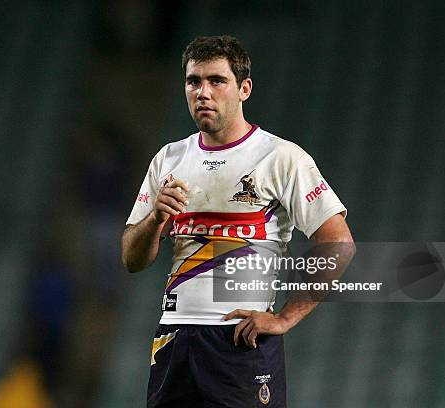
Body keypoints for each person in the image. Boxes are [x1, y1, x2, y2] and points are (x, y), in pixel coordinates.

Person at [121, 35, 355, 407]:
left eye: (217, 81)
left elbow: (338, 243)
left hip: (239, 340)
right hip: (174, 338)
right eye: (193, 81)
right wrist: (154, 221)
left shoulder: (280, 157)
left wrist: (284, 318)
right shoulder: (168, 159)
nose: (202, 92)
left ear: (244, 88)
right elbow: (132, 260)